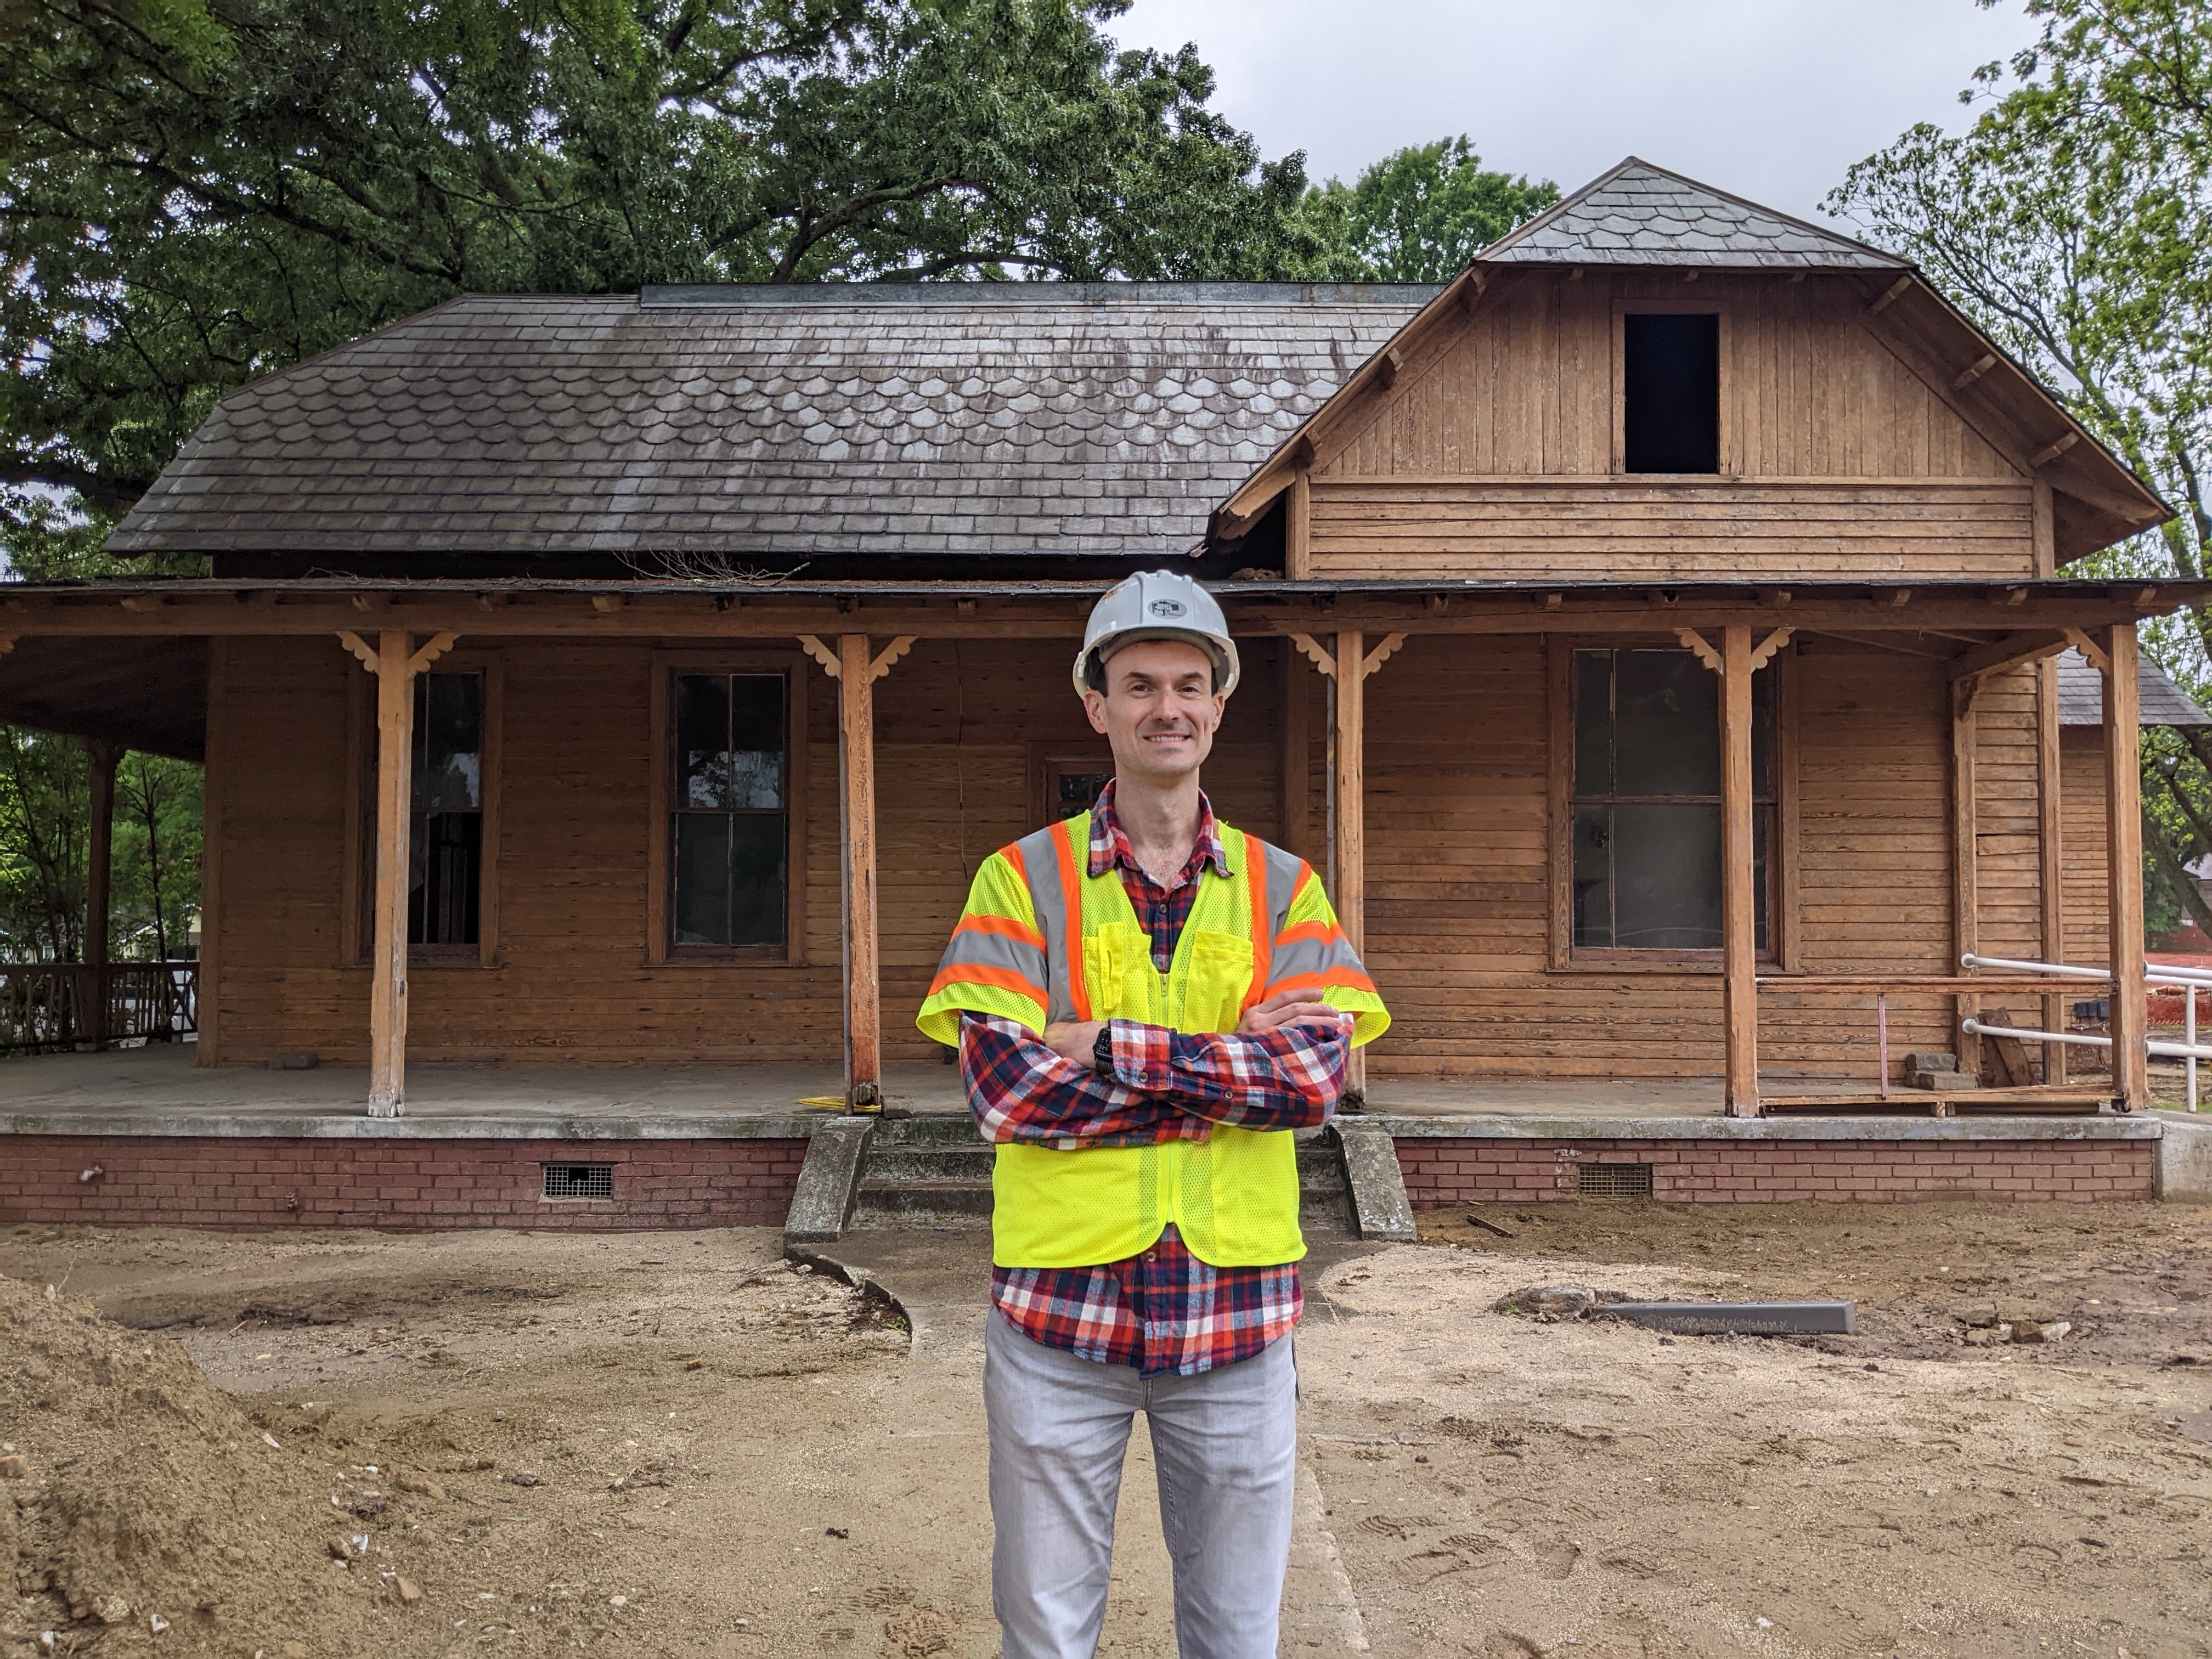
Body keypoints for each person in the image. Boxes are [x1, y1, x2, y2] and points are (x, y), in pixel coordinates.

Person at [916, 570, 1389, 1659]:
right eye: (1138, 684)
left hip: (1235, 1327)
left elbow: (1318, 1084)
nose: (1164, 706)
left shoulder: (1283, 889)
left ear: (1220, 703)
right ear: (1098, 706)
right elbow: (1007, 1089)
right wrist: (1229, 1082)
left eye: (1188, 683)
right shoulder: (1018, 881)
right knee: (1044, 1635)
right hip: (1057, 1323)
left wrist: (1121, 1048)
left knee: (1235, 1636)